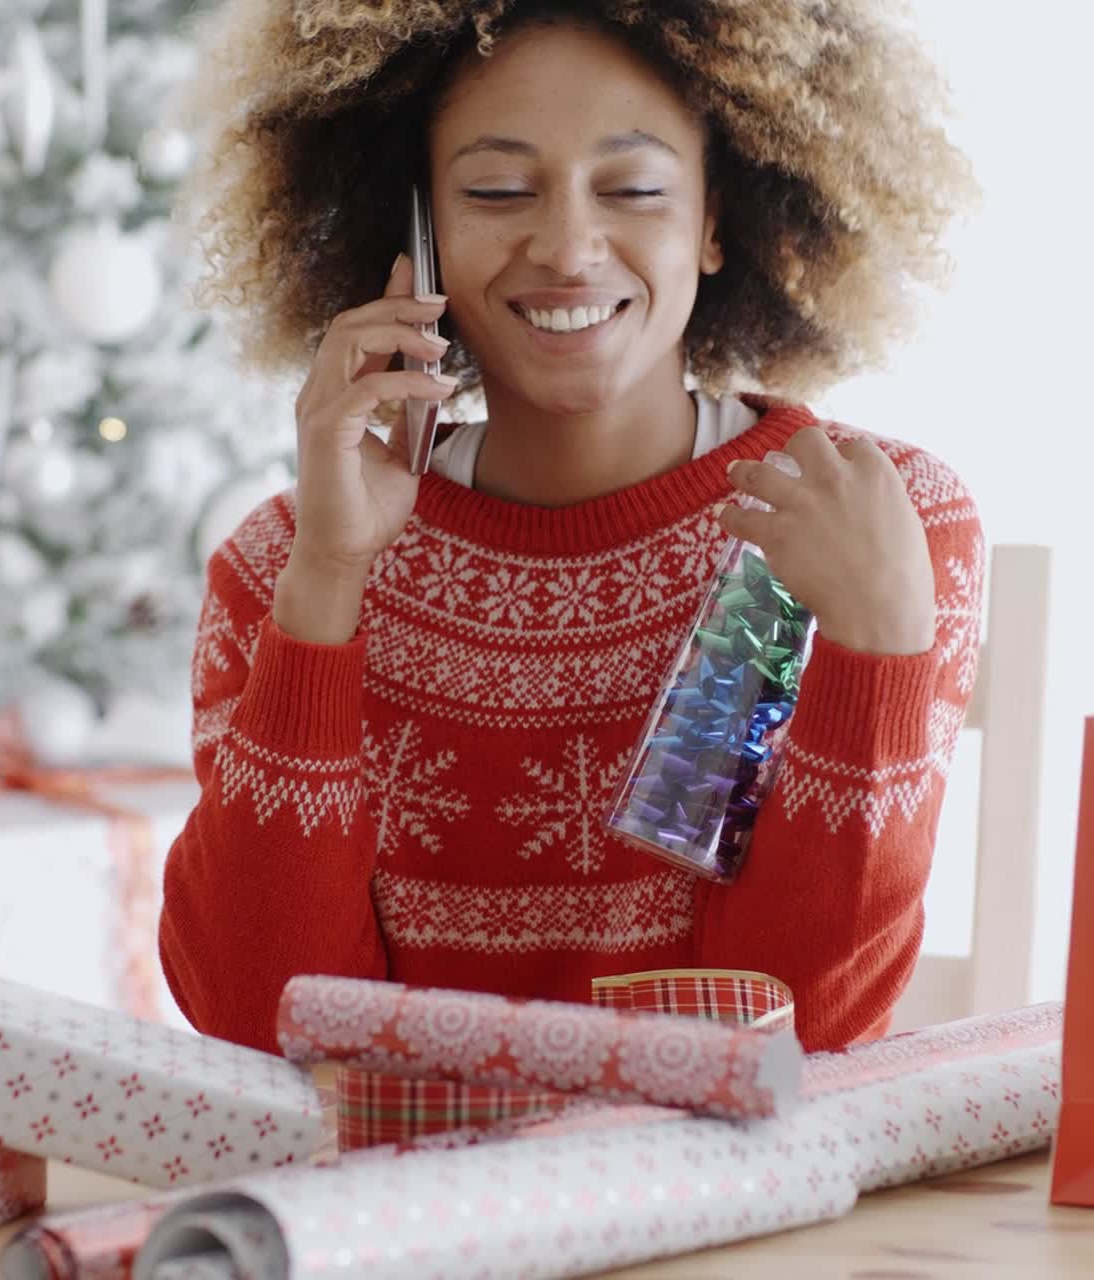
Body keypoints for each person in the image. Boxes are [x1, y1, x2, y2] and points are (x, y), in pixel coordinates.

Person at [159, 0, 984, 1055]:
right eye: (497, 189)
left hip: (724, 1211)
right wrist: (326, 579)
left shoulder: (866, 524)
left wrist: (873, 649)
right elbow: (259, 1017)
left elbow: (788, 1040)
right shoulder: (283, 559)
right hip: (389, 1204)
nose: (565, 246)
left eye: (632, 188)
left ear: (715, 219)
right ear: (414, 237)